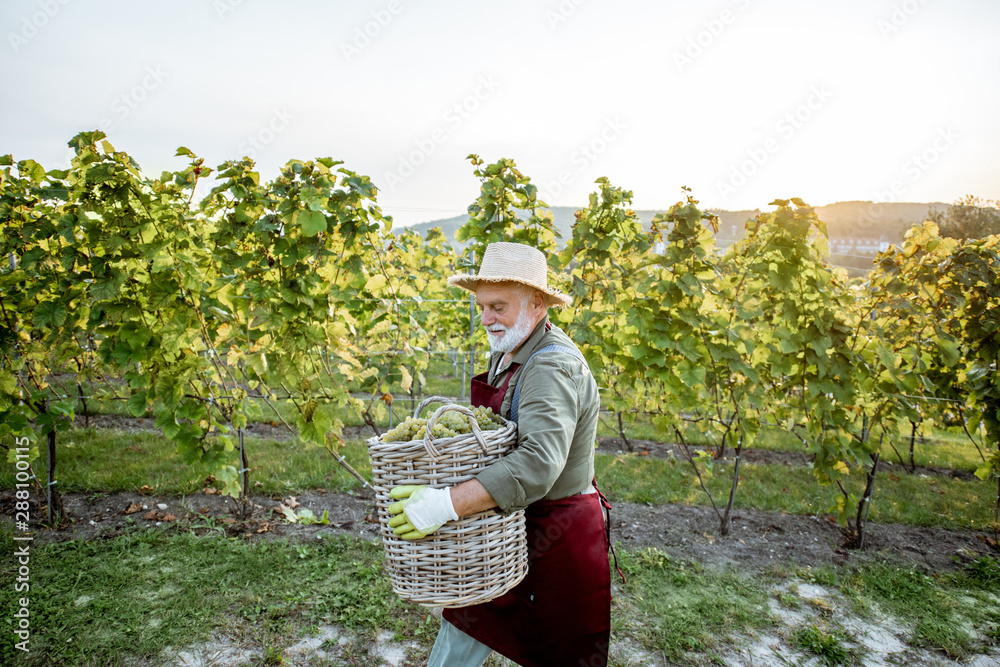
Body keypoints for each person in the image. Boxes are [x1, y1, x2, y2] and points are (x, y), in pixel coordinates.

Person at [387, 241, 614, 667]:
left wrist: (445, 504)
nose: (486, 319)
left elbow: (538, 463)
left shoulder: (550, 367)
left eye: (498, 307)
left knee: (558, 645)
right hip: (508, 524)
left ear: (539, 303)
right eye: (482, 307)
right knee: (470, 620)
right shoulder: (514, 346)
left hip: (556, 531)